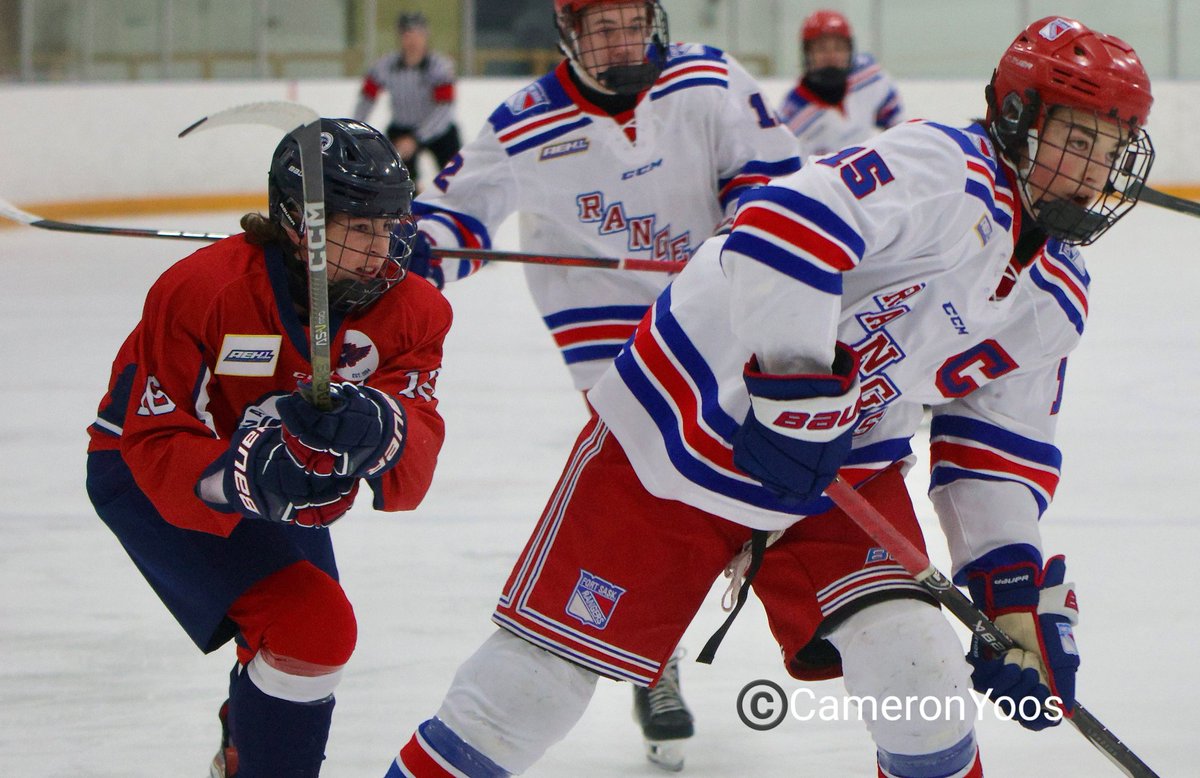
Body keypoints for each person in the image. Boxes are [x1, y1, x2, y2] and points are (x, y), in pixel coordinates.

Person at [384, 15, 1154, 777]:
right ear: (1017, 120)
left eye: (1110, 150)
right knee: (528, 695)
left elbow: (997, 453)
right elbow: (784, 222)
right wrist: (796, 402)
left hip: (841, 468)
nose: (1093, 172)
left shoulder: (1056, 294)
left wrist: (1009, 589)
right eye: (1076, 141)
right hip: (686, 423)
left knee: (920, 673)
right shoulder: (943, 168)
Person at [403, 0, 801, 769]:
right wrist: (405, 255)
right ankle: (661, 662)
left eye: (631, 22)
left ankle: (674, 646)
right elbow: (454, 219)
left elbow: (778, 185)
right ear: (568, 37)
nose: (621, 40)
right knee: (663, 498)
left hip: (716, 321)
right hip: (610, 346)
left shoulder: (710, 79)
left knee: (731, 496)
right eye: (599, 28)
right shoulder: (524, 123)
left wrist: (744, 244)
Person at [85, 119, 451, 778]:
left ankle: (244, 744)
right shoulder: (202, 290)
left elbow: (415, 459)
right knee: (313, 628)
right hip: (145, 473)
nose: (379, 252)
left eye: (387, 227)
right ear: (299, 224)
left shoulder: (415, 309)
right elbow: (154, 440)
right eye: (359, 229)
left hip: (278, 472)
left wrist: (380, 427)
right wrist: (241, 476)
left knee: (296, 640)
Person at [353, 12, 462, 187]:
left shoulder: (439, 66)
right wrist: (354, 129)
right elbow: (367, 99)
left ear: (426, 36)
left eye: (418, 35)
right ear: (400, 37)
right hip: (401, 129)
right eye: (407, 35)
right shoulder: (385, 65)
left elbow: (445, 109)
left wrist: (417, 137)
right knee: (399, 182)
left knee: (456, 179)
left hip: (438, 130)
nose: (413, 41)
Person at [777, 9, 904, 156]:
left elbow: (897, 128)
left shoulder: (869, 77)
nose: (831, 56)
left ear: (850, 50)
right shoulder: (792, 118)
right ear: (807, 54)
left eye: (839, 48)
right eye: (821, 49)